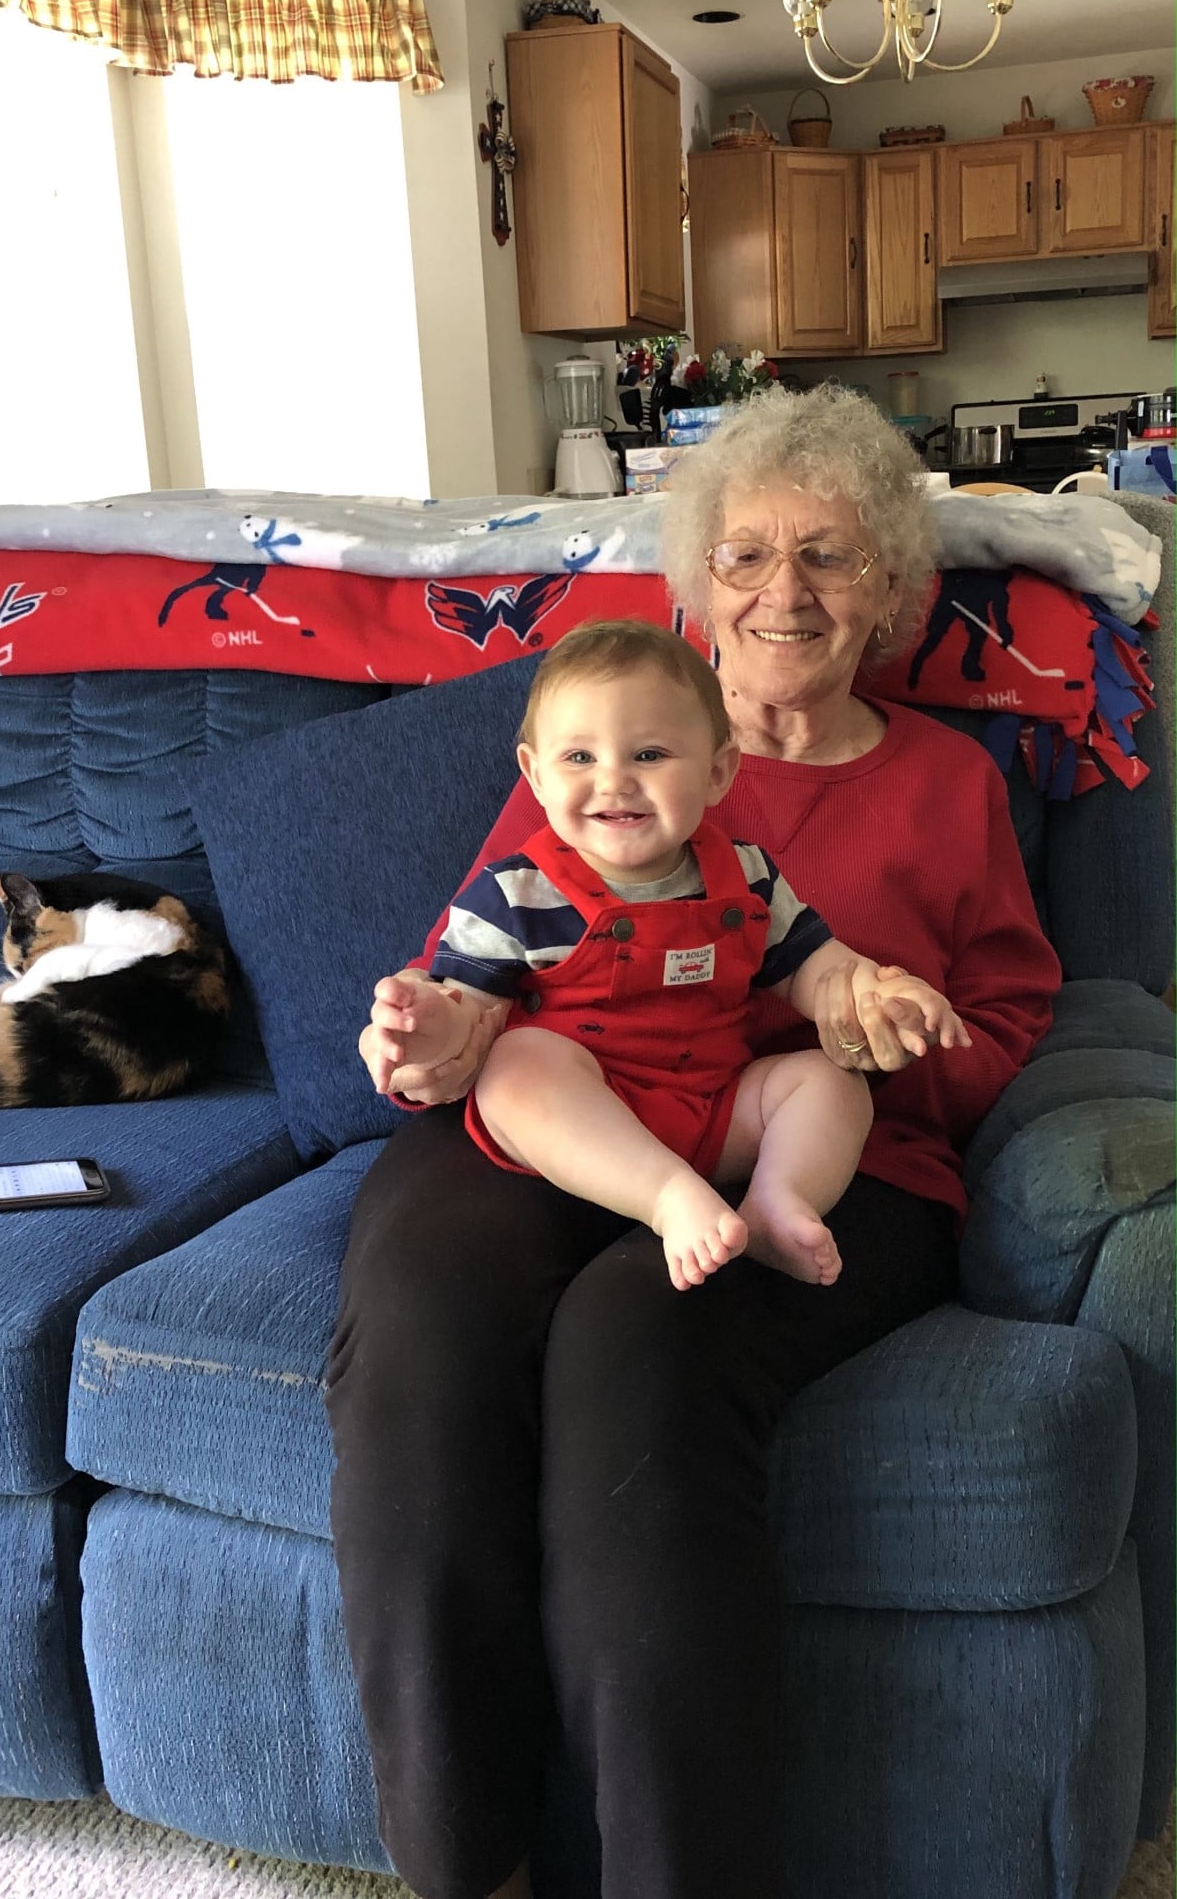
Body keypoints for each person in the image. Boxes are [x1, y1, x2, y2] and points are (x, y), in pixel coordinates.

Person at [326, 383, 1062, 1899]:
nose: (782, 592)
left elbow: (1006, 1022)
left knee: (637, 1333)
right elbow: (477, 965)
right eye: (744, 554)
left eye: (827, 555)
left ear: (888, 587)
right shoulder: (605, 744)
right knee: (421, 1310)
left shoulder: (946, 782)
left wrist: (891, 1035)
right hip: (579, 1113)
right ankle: (467, 1864)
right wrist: (434, 1039)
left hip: (816, 1144)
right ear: (695, 579)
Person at [372, 619, 969, 1293]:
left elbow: (819, 970)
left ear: (717, 772)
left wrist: (877, 994)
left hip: (714, 1110)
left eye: (649, 754)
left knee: (832, 1080)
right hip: (582, 1123)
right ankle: (665, 1198)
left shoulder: (747, 878)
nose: (614, 781)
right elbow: (469, 1013)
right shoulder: (515, 894)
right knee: (514, 1064)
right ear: (535, 776)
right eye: (580, 758)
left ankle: (778, 1201)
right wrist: (428, 1023)